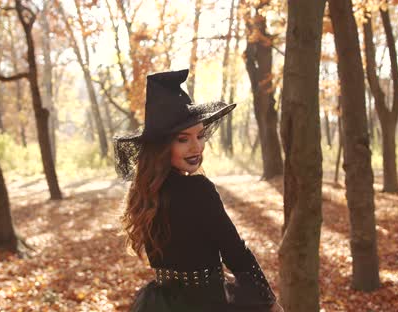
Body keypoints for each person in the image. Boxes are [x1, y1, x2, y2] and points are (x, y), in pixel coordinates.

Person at [113, 69, 283, 312]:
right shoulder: (198, 190)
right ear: (162, 146)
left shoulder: (144, 193)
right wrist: (270, 302)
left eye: (200, 136)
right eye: (183, 139)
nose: (196, 147)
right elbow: (235, 252)